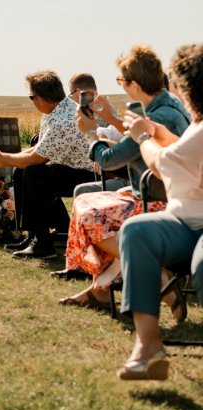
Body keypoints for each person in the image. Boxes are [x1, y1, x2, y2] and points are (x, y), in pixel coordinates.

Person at [59, 46, 189, 308]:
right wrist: (111, 119)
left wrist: (90, 134)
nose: (122, 86)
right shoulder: (171, 104)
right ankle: (100, 290)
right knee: (104, 200)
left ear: (135, 84)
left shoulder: (156, 116)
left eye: (122, 81)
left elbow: (109, 159)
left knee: (88, 211)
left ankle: (158, 277)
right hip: (171, 194)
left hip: (160, 203)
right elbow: (134, 143)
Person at [114, 43, 203, 382]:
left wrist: (141, 138)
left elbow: (162, 163)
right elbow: (181, 147)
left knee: (202, 266)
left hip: (196, 226)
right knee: (137, 231)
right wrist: (157, 132)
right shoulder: (197, 123)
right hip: (184, 222)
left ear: (186, 88)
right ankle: (148, 346)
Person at [0, 69, 95, 259]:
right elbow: (37, 149)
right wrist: (3, 157)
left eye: (32, 97)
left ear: (40, 98)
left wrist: (2, 157)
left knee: (34, 173)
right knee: (21, 171)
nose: (33, 102)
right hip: (71, 169)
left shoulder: (62, 121)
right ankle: (35, 235)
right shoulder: (56, 111)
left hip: (88, 175)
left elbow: (37, 159)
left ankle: (44, 245)